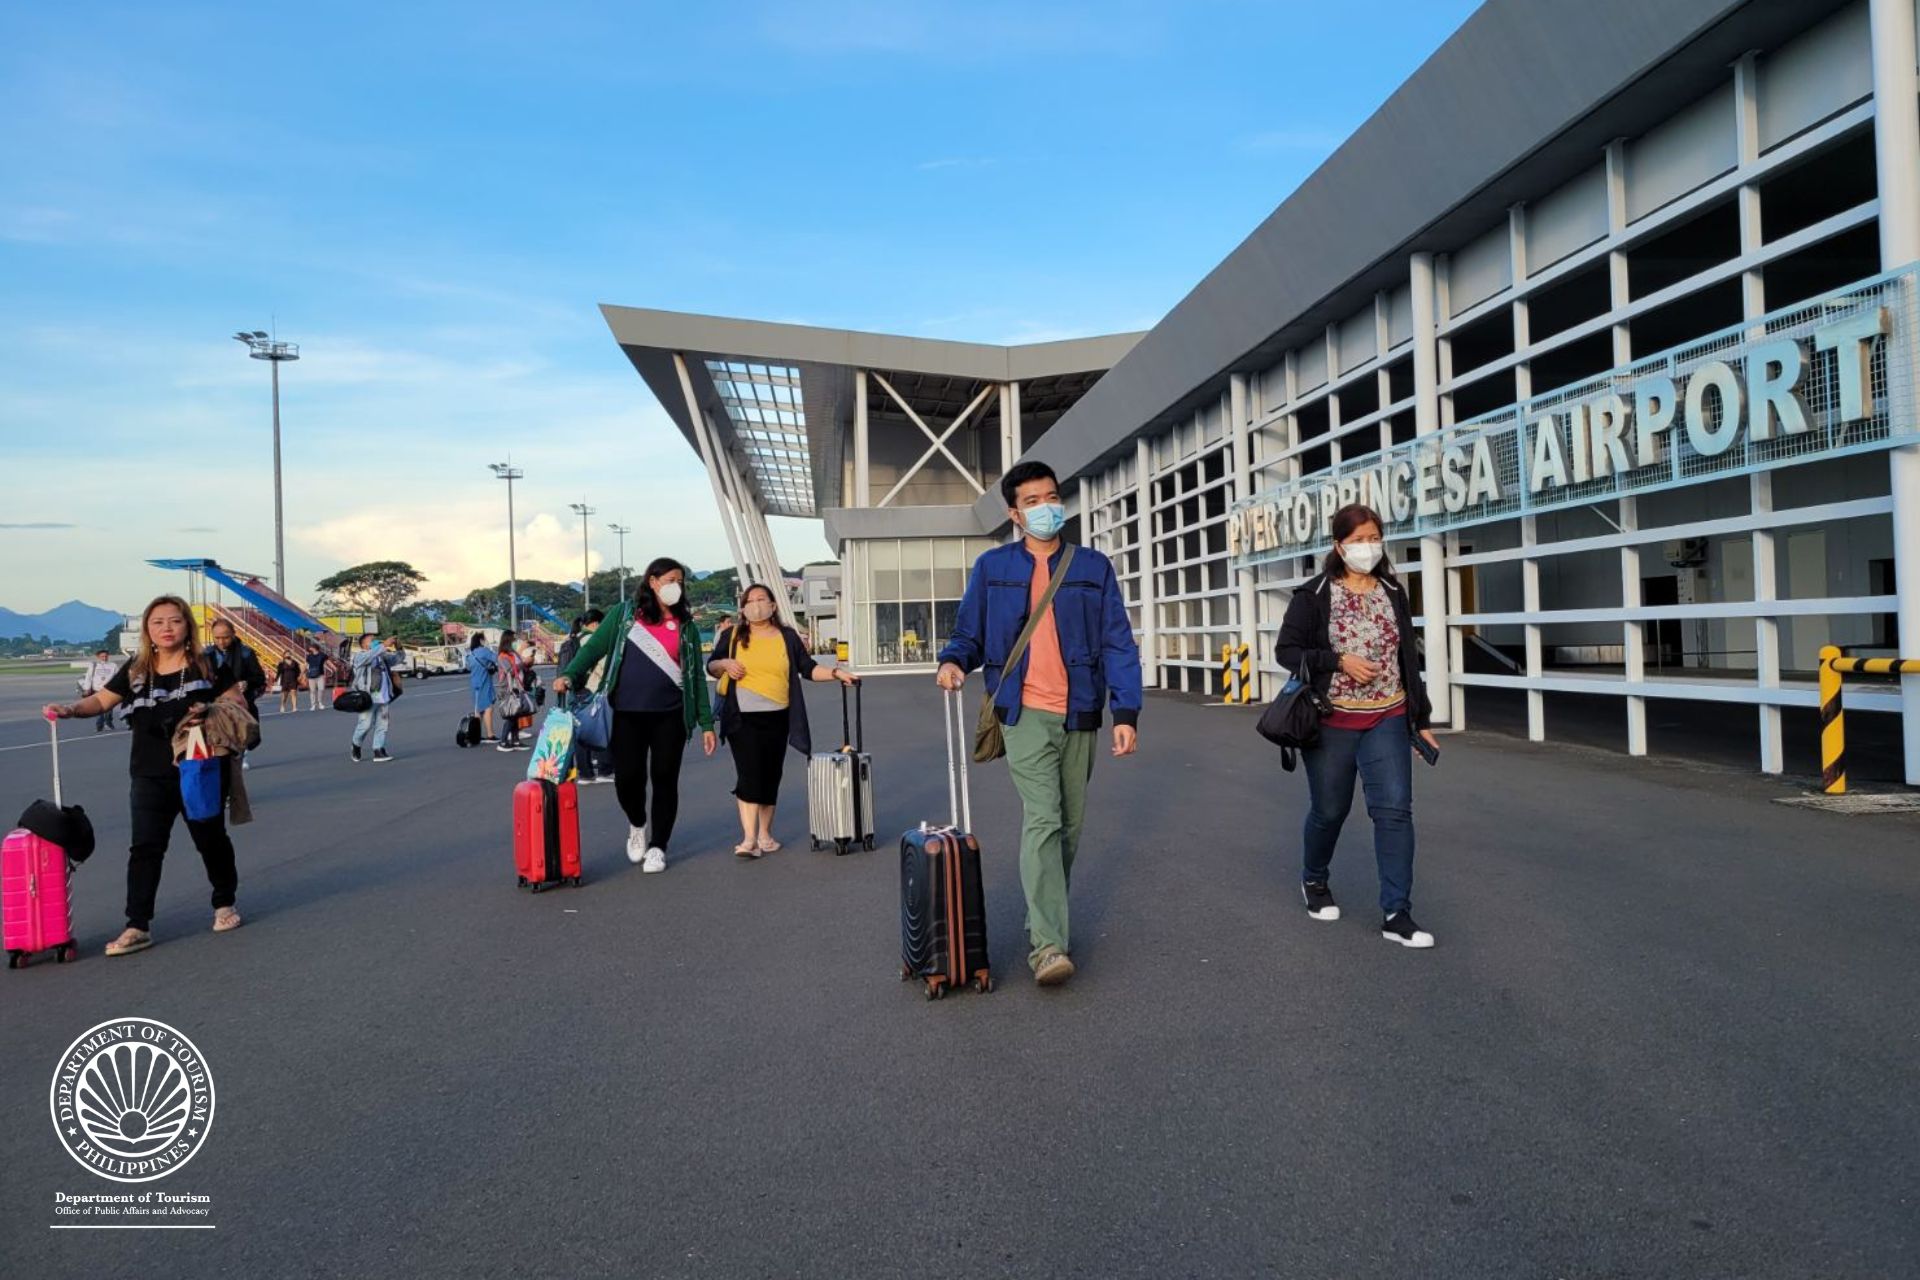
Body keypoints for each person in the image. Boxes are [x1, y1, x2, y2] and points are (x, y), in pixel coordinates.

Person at [937, 460, 1142, 988]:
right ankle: (1048, 946)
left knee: (1069, 828)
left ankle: (1041, 913)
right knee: (1044, 819)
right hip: (1022, 711)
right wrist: (954, 659)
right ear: (1014, 513)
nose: (1047, 507)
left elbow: (1117, 640)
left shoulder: (1093, 567)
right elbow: (969, 632)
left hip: (1080, 711)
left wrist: (1126, 711)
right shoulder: (992, 567)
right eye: (1033, 501)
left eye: (1051, 496)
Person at [43, 595, 246, 956]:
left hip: (197, 767)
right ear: (148, 630)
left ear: (187, 626)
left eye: (174, 620)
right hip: (148, 772)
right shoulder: (137, 669)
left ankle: (224, 903)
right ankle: (137, 925)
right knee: (145, 848)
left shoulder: (207, 665)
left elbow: (236, 704)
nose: (166, 628)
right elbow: (102, 701)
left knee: (210, 839)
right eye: (158, 622)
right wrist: (70, 709)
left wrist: (210, 709)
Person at [1276, 502, 1440, 949]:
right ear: (1338, 545)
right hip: (1332, 720)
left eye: (1374, 538)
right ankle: (1314, 879)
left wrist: (1420, 718)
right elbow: (1287, 652)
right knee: (1330, 811)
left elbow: (1408, 660)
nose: (1368, 547)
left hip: (1388, 715)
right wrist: (1338, 660)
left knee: (1394, 811)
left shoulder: (1393, 592)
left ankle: (1396, 912)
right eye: (1358, 540)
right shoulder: (1313, 595)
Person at [554, 563, 715, 873]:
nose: (676, 587)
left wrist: (706, 723)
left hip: (671, 716)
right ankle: (637, 823)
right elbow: (594, 649)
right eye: (670, 580)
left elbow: (695, 679)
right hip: (627, 713)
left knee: (665, 780)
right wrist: (570, 675)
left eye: (680, 582)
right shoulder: (625, 615)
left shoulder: (687, 626)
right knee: (628, 779)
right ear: (652, 582)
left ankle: (659, 846)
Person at [709, 582, 858, 860]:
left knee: (770, 774)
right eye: (749, 600)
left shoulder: (787, 636)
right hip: (742, 716)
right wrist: (726, 665)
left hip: (778, 715)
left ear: (774, 605)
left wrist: (837, 674)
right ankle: (749, 839)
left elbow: (808, 668)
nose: (756, 605)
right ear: (743, 608)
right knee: (749, 773)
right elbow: (713, 665)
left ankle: (765, 834)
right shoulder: (732, 636)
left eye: (761, 599)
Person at [560, 609, 616, 785]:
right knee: (600, 727)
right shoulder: (593, 640)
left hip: (575, 691)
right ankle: (605, 770)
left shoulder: (571, 640)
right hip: (592, 689)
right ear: (596, 624)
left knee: (580, 731)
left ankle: (585, 773)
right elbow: (604, 665)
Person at [206, 619, 267, 771]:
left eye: (225, 637)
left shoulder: (246, 653)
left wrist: (247, 683)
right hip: (216, 704)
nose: (221, 641)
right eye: (217, 638)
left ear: (233, 634)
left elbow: (259, 677)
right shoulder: (207, 654)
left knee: (241, 731)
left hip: (241, 702)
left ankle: (243, 753)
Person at [348, 633, 402, 763]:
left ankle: (378, 750)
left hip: (383, 696)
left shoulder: (381, 657)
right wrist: (384, 645)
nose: (375, 641)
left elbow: (397, 659)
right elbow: (370, 655)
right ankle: (356, 744)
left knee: (383, 725)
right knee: (365, 724)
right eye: (372, 640)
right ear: (364, 644)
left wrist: (399, 648)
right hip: (368, 696)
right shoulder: (360, 656)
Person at [495, 630, 530, 751]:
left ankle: (515, 740)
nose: (515, 642)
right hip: (508, 688)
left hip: (518, 686)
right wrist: (522, 664)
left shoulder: (513, 653)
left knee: (516, 714)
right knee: (511, 715)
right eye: (513, 639)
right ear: (508, 640)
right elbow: (509, 670)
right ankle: (503, 741)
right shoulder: (502, 656)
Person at [466, 633, 499, 742]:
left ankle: (476, 735)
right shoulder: (484, 651)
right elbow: (497, 658)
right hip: (485, 682)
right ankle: (490, 734)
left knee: (478, 709)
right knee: (488, 708)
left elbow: (469, 667)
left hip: (475, 683)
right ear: (480, 640)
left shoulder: (471, 655)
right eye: (484, 639)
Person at [80, 649, 120, 731]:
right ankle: (99, 725)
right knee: (98, 709)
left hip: (109, 691)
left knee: (109, 708)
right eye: (102, 656)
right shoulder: (94, 666)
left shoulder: (113, 666)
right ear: (98, 657)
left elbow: (118, 677)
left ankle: (108, 723)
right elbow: (88, 678)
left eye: (106, 656)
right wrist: (86, 689)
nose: (104, 658)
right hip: (97, 690)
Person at [305, 644, 329, 710]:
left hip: (320, 674)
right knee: (312, 691)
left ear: (314, 648)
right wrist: (303, 672)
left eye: (310, 647)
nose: (309, 648)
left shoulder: (322, 655)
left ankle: (320, 703)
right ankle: (313, 705)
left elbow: (327, 662)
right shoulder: (309, 656)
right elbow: (306, 664)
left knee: (321, 689)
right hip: (311, 675)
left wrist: (333, 668)